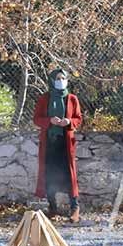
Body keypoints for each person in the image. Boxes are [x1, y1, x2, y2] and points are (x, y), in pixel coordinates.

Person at [33, 69, 83, 222]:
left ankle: (75, 208)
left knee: (69, 175)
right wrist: (49, 121)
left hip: (65, 143)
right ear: (52, 80)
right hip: (49, 142)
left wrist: (69, 122)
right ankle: (53, 207)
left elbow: (78, 119)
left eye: (63, 78)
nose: (61, 81)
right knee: (49, 174)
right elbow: (36, 119)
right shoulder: (45, 98)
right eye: (58, 78)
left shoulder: (72, 99)